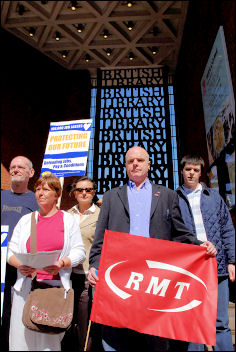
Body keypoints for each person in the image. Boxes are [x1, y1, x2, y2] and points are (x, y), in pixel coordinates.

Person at [87, 146, 217, 351]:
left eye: (140, 160)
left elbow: (180, 233)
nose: (135, 164)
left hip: (154, 278)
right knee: (116, 337)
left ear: (149, 164)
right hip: (120, 276)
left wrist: (201, 245)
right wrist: (94, 266)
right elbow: (100, 239)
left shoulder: (166, 195)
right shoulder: (112, 197)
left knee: (154, 339)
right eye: (130, 161)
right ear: (126, 166)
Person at [7, 172, 86, 351]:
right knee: (21, 341)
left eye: (45, 189)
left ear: (56, 195)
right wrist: (20, 265)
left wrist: (62, 263)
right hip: (26, 288)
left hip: (53, 290)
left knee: (48, 344)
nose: (40, 193)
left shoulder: (68, 220)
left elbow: (79, 252)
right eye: (37, 189)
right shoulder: (26, 220)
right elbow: (10, 252)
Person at [176, 154, 235, 351]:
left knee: (220, 322)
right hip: (189, 268)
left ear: (201, 173)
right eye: (188, 169)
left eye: (196, 169)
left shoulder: (214, 197)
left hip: (216, 266)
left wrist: (232, 261)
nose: (191, 173)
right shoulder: (173, 199)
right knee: (193, 321)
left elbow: (227, 230)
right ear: (182, 171)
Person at [1, 156, 38, 351]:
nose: (15, 170)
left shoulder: (36, 200)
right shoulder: (1, 197)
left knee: (13, 313)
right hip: (0, 264)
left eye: (20, 167)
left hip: (22, 268)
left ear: (30, 173)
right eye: (12, 166)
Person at [63, 176, 100, 351]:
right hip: (67, 276)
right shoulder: (66, 215)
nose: (84, 193)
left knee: (85, 323)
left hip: (87, 276)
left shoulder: (101, 215)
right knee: (67, 320)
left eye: (88, 189)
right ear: (74, 193)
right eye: (80, 190)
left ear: (94, 192)